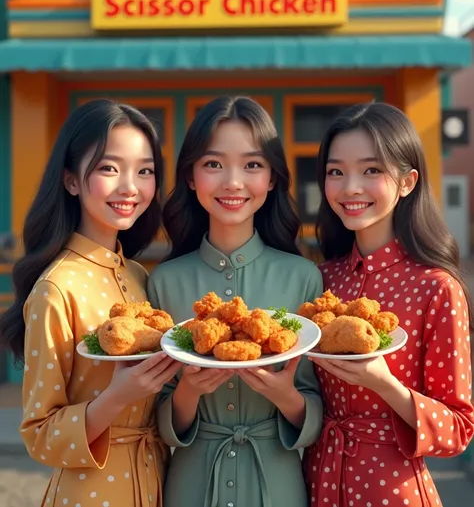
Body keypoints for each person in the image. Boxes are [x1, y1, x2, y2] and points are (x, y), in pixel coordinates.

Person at [0, 99, 181, 507]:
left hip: (158, 480)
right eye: (109, 168)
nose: (130, 187)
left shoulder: (137, 276)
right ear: (71, 181)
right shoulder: (56, 288)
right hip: (94, 493)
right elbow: (39, 434)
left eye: (145, 170)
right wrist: (118, 396)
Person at [147, 95, 323, 507]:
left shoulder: (303, 278)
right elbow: (154, 415)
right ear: (191, 176)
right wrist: (188, 392)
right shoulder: (164, 283)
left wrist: (285, 396)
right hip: (191, 484)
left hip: (278, 483)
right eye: (213, 164)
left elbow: (319, 408)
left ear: (273, 178)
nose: (233, 181)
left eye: (252, 165)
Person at [303, 101, 474, 507]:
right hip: (316, 480)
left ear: (407, 182)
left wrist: (385, 385)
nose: (350, 188)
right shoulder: (322, 279)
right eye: (336, 172)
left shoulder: (436, 288)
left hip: (392, 489)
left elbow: (459, 429)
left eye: (371, 170)